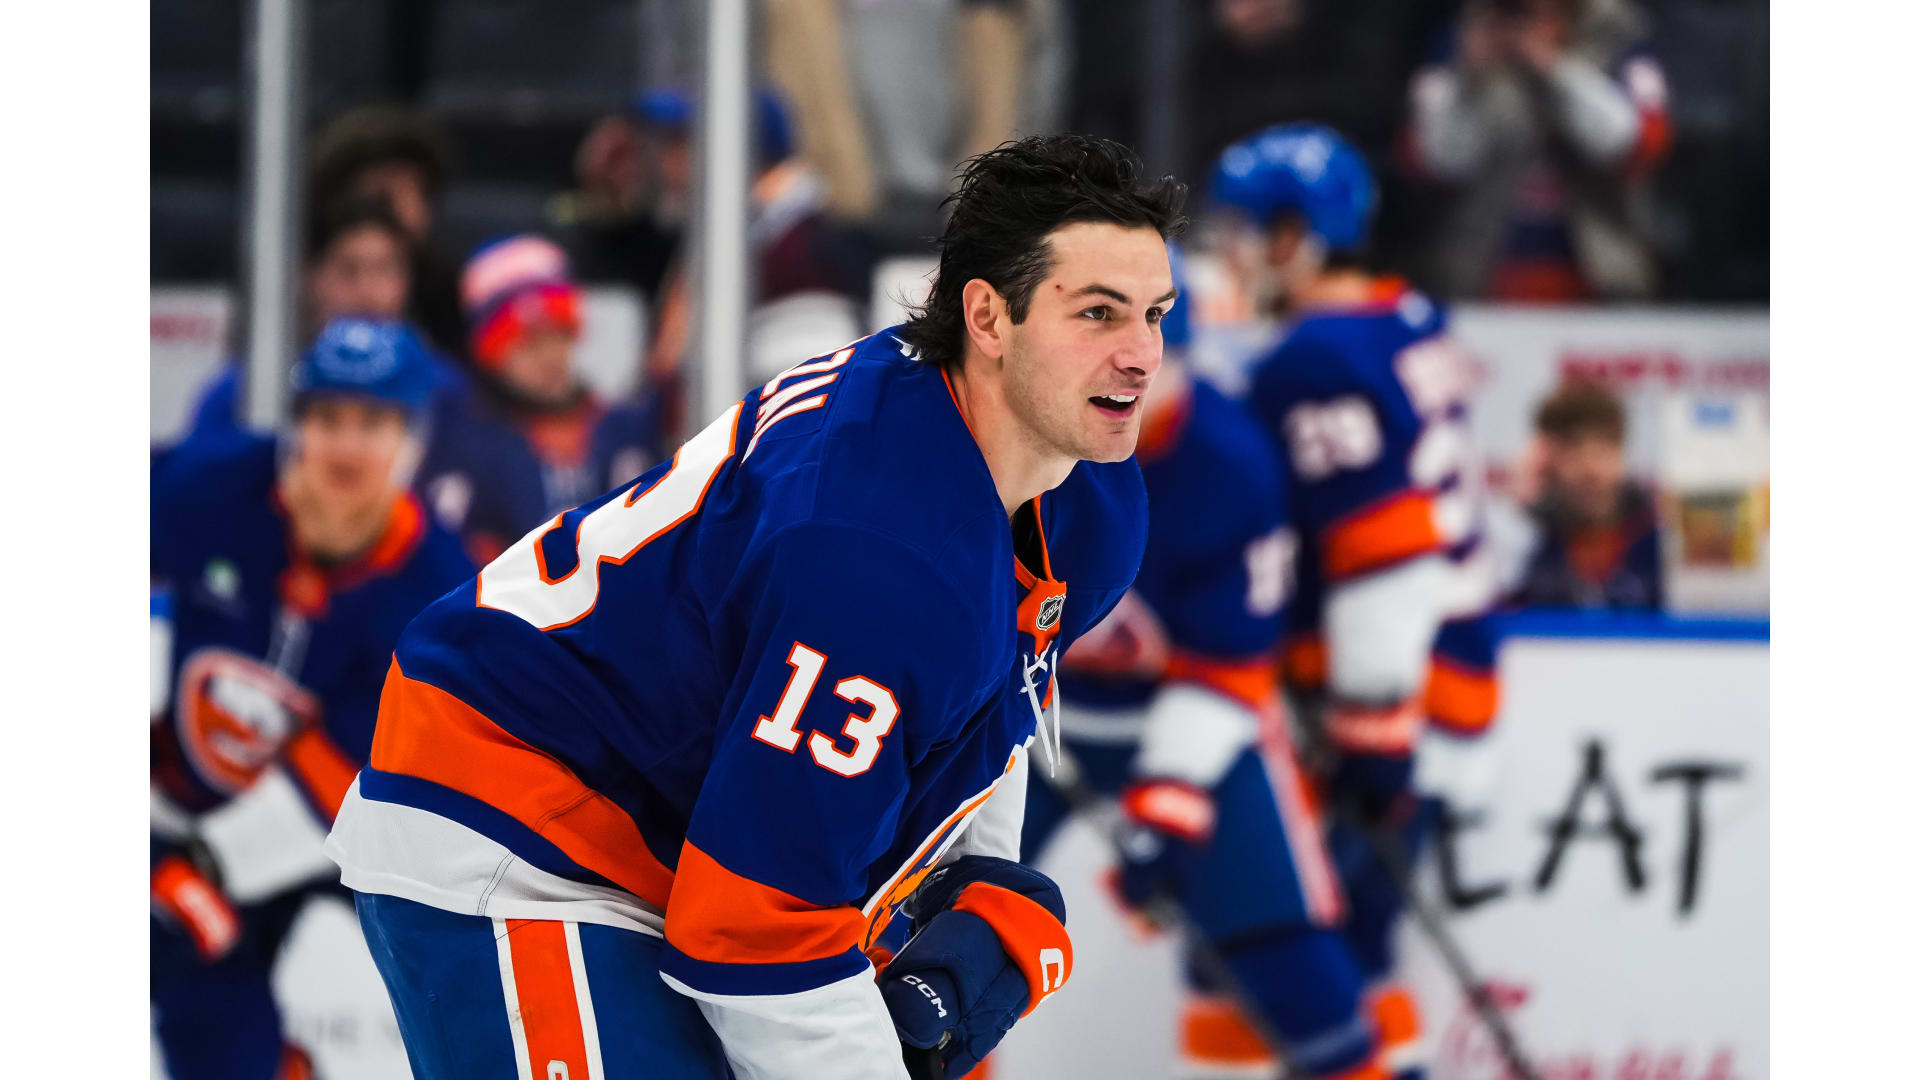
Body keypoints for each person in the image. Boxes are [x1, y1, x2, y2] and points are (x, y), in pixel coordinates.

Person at [324, 133, 1186, 1080]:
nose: (1141, 355)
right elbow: (756, 937)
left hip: (673, 820)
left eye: (1154, 313)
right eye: (1097, 313)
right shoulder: (876, 560)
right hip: (515, 815)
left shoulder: (1083, 489)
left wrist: (969, 885)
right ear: (987, 316)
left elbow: (991, 690)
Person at [1020, 248, 1397, 1080]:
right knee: (933, 938)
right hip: (1031, 715)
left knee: (1282, 953)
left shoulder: (1231, 462)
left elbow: (1231, 663)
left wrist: (1168, 803)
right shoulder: (1016, 435)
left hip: (1189, 716)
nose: (1123, 388)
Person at [1214, 123, 1506, 1077]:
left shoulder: (1312, 360)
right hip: (1447, 681)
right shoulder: (1408, 318)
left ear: (1295, 236)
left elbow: (1383, 553)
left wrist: (1372, 736)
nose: (1232, 254)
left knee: (1288, 964)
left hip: (1386, 706)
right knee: (1358, 961)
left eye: (1246, 230)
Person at [150, 318, 475, 1080]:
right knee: (204, 1000)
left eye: (373, 423)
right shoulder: (208, 489)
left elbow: (343, 786)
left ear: (412, 442)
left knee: (468, 983)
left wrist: (193, 868)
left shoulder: (436, 596)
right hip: (187, 803)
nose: (346, 446)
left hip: (335, 830)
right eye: (328, 418)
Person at [417, 233, 665, 565]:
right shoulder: (463, 445)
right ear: (492, 353)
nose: (548, 356)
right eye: (528, 342)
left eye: (558, 334)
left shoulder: (627, 427)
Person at [1404, 0, 1672, 301]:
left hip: (1603, 282)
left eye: (1534, 14)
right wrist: (1470, 79)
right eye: (1515, 13)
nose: (1522, 25)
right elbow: (1441, 162)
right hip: (1478, 282)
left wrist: (1555, 67)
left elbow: (1626, 147)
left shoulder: (1619, 36)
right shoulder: (1465, 35)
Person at [181, 196, 450, 442]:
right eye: (349, 269)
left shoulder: (446, 391)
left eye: (384, 269)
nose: (368, 291)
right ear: (309, 277)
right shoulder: (245, 392)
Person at [308, 105, 468, 359]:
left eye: (420, 193)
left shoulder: (452, 300)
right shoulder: (280, 305)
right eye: (385, 194)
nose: (410, 212)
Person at [1510, 379, 1662, 608]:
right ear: (1549, 463)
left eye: (1605, 449)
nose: (1591, 470)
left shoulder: (1661, 548)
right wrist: (1522, 510)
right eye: (1574, 452)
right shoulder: (1534, 547)